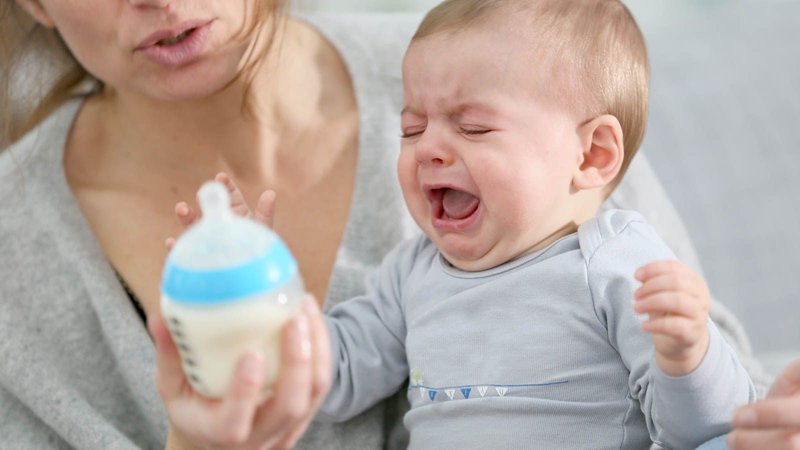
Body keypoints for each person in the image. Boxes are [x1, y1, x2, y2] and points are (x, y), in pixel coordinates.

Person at [0, 0, 771, 449]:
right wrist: (257, 307)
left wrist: (688, 353)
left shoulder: (530, 87)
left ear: (592, 155)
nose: (432, 145)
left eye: (470, 128)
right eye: (410, 128)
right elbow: (333, 369)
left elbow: (723, 420)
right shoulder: (417, 274)